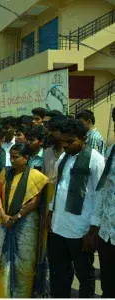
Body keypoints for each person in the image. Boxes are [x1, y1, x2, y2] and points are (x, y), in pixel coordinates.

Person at [47, 119, 105, 298]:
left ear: (83, 138)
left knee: (85, 276)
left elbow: (100, 195)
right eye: (63, 141)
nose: (65, 145)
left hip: (81, 230)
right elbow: (59, 186)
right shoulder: (65, 156)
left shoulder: (95, 160)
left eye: (70, 141)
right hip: (58, 226)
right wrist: (50, 212)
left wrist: (92, 230)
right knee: (59, 273)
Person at [0, 144, 48, 297]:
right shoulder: (5, 172)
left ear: (26, 158)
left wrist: (17, 216)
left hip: (25, 223)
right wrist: (2, 213)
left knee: (24, 262)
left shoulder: (36, 176)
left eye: (16, 157)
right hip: (4, 220)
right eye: (11, 157)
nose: (12, 160)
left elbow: (35, 201)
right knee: (0, 258)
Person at [92, 107, 115, 298]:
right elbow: (103, 187)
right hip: (107, 230)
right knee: (108, 279)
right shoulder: (111, 149)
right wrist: (96, 223)